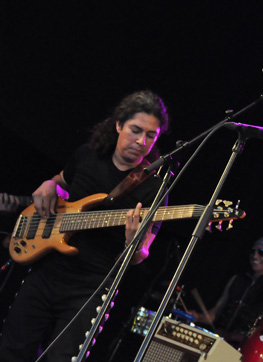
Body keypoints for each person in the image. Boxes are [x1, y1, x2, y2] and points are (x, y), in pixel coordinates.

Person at [0, 90, 170, 362]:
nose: (142, 141)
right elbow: (60, 181)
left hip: (91, 289)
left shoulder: (154, 188)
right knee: (12, 350)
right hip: (47, 271)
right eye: (136, 130)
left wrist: (133, 243)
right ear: (118, 125)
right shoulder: (89, 155)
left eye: (151, 136)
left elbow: (141, 254)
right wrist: (48, 184)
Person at [189, 236, 263, 344]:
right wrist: (198, 317)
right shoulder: (237, 279)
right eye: (253, 251)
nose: (255, 256)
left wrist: (234, 336)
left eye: (262, 253)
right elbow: (215, 313)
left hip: (242, 350)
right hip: (217, 341)